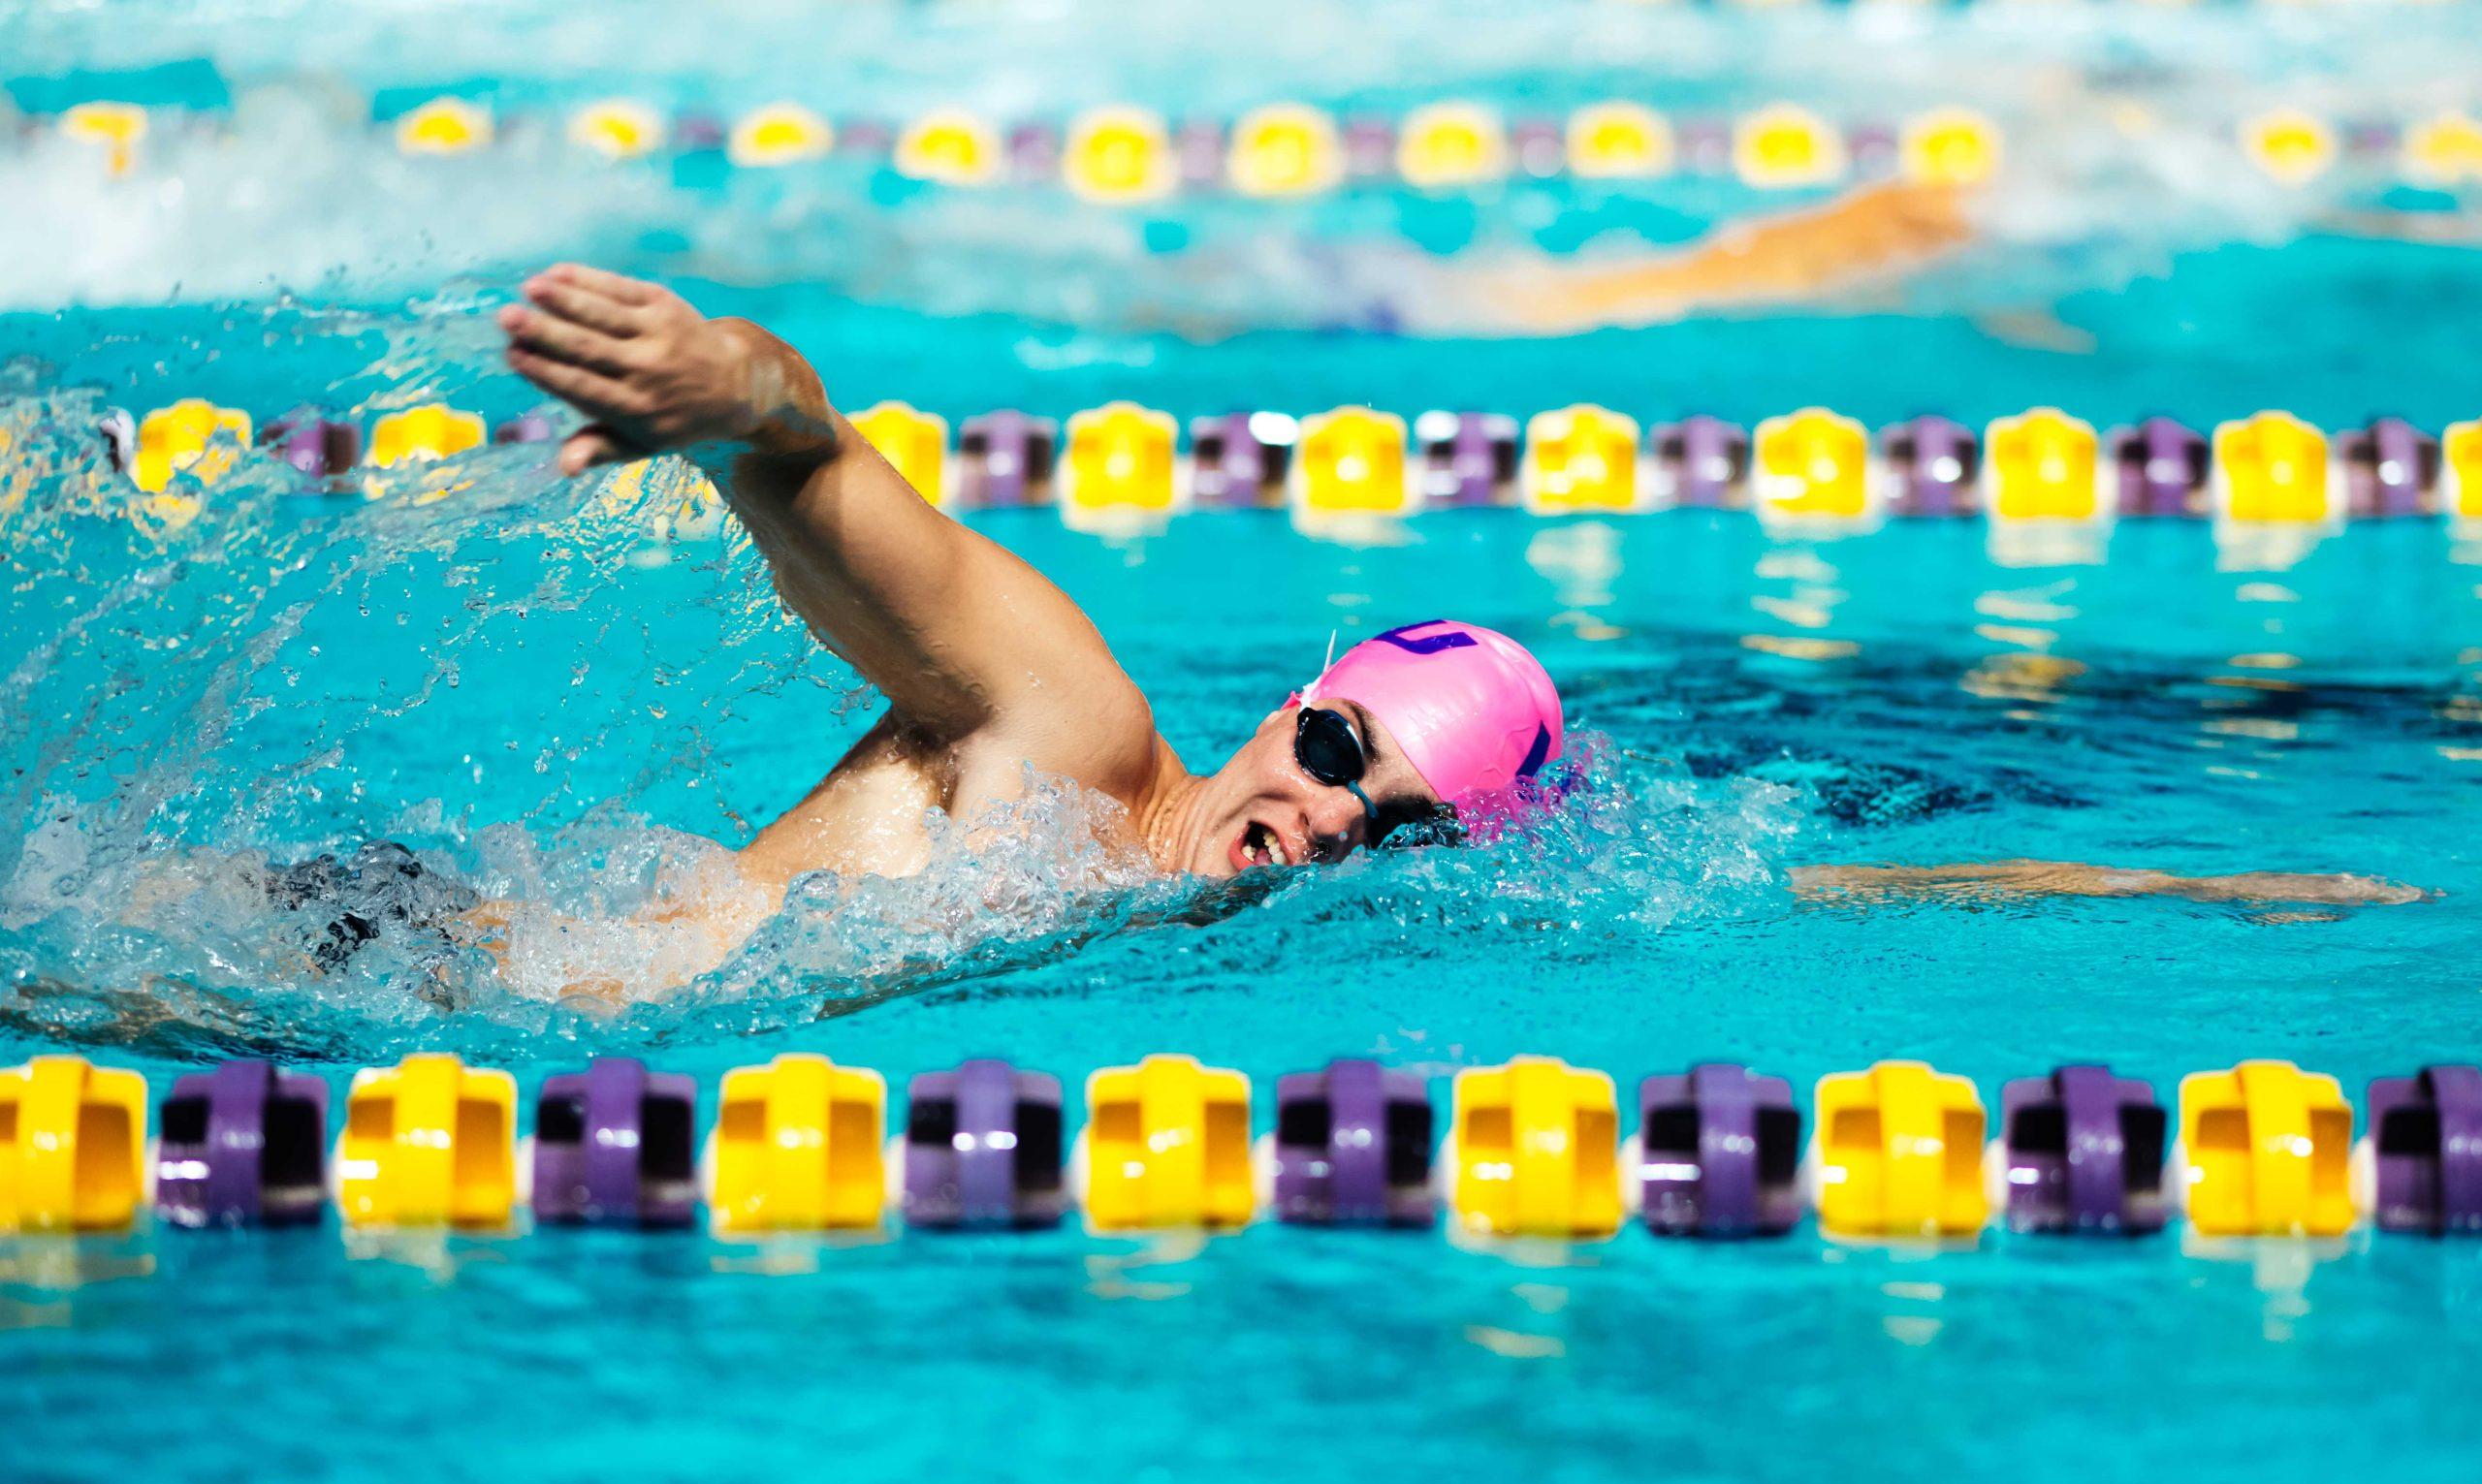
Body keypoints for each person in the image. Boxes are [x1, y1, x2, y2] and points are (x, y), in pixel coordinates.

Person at [461, 263, 2419, 999]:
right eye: (1334, 755)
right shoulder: (1070, 740)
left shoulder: (1163, 932)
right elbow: (842, 490)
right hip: (427, 951)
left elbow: (1788, 900)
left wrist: (2168, 881)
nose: (1328, 821)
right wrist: (740, 386)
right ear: (1294, 708)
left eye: (1390, 824)